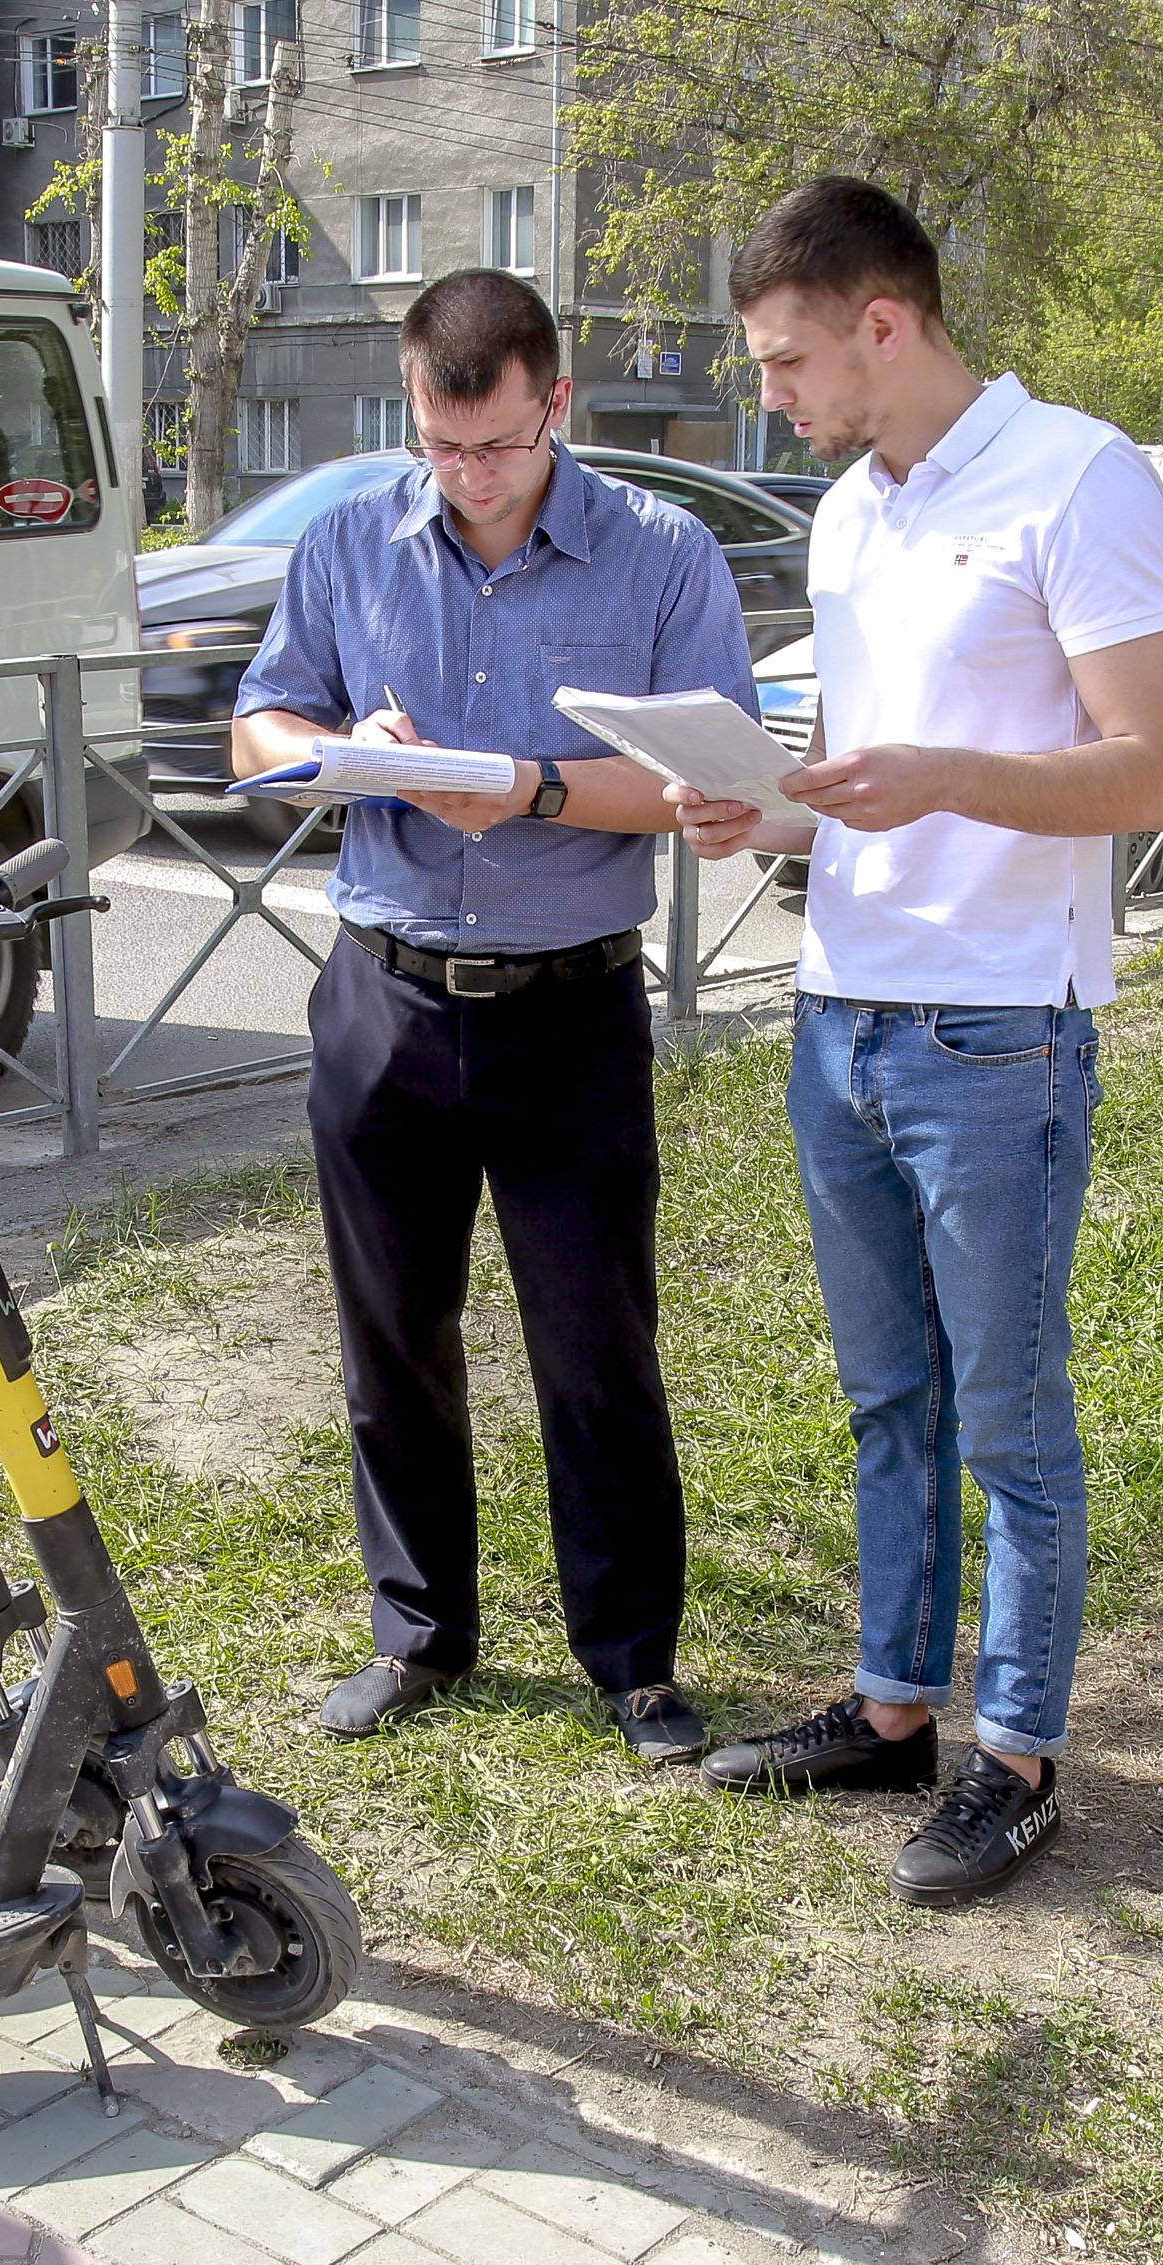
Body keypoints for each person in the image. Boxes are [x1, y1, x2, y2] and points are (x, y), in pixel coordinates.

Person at [677, 179, 1163, 1907]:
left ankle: (1017, 1753)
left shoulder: (1077, 475)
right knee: (884, 1394)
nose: (772, 393)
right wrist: (762, 814)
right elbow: (856, 773)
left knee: (1006, 1415)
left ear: (883, 322)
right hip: (840, 1004)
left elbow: (1149, 773)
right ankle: (893, 1706)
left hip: (996, 1029)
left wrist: (943, 779)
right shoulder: (845, 515)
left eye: (787, 358)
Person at [232, 268, 754, 1763]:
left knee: (595, 1342)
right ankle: (420, 1631)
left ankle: (633, 1661)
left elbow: (698, 781)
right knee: (390, 1335)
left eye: (496, 448)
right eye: (438, 449)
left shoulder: (660, 554)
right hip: (383, 1000)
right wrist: (341, 750)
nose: (465, 480)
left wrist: (512, 782)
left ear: (555, 409)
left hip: (569, 1007)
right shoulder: (349, 539)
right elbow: (258, 722)